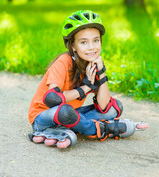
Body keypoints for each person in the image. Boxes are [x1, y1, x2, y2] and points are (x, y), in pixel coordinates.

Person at [28, 10, 148, 149]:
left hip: (71, 115)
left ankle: (74, 126)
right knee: (65, 112)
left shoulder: (93, 65)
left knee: (114, 108)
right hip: (45, 116)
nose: (91, 47)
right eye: (84, 42)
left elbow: (104, 106)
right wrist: (85, 88)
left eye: (96, 40)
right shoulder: (63, 62)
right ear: (73, 46)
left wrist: (101, 73)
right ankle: (103, 129)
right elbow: (52, 99)